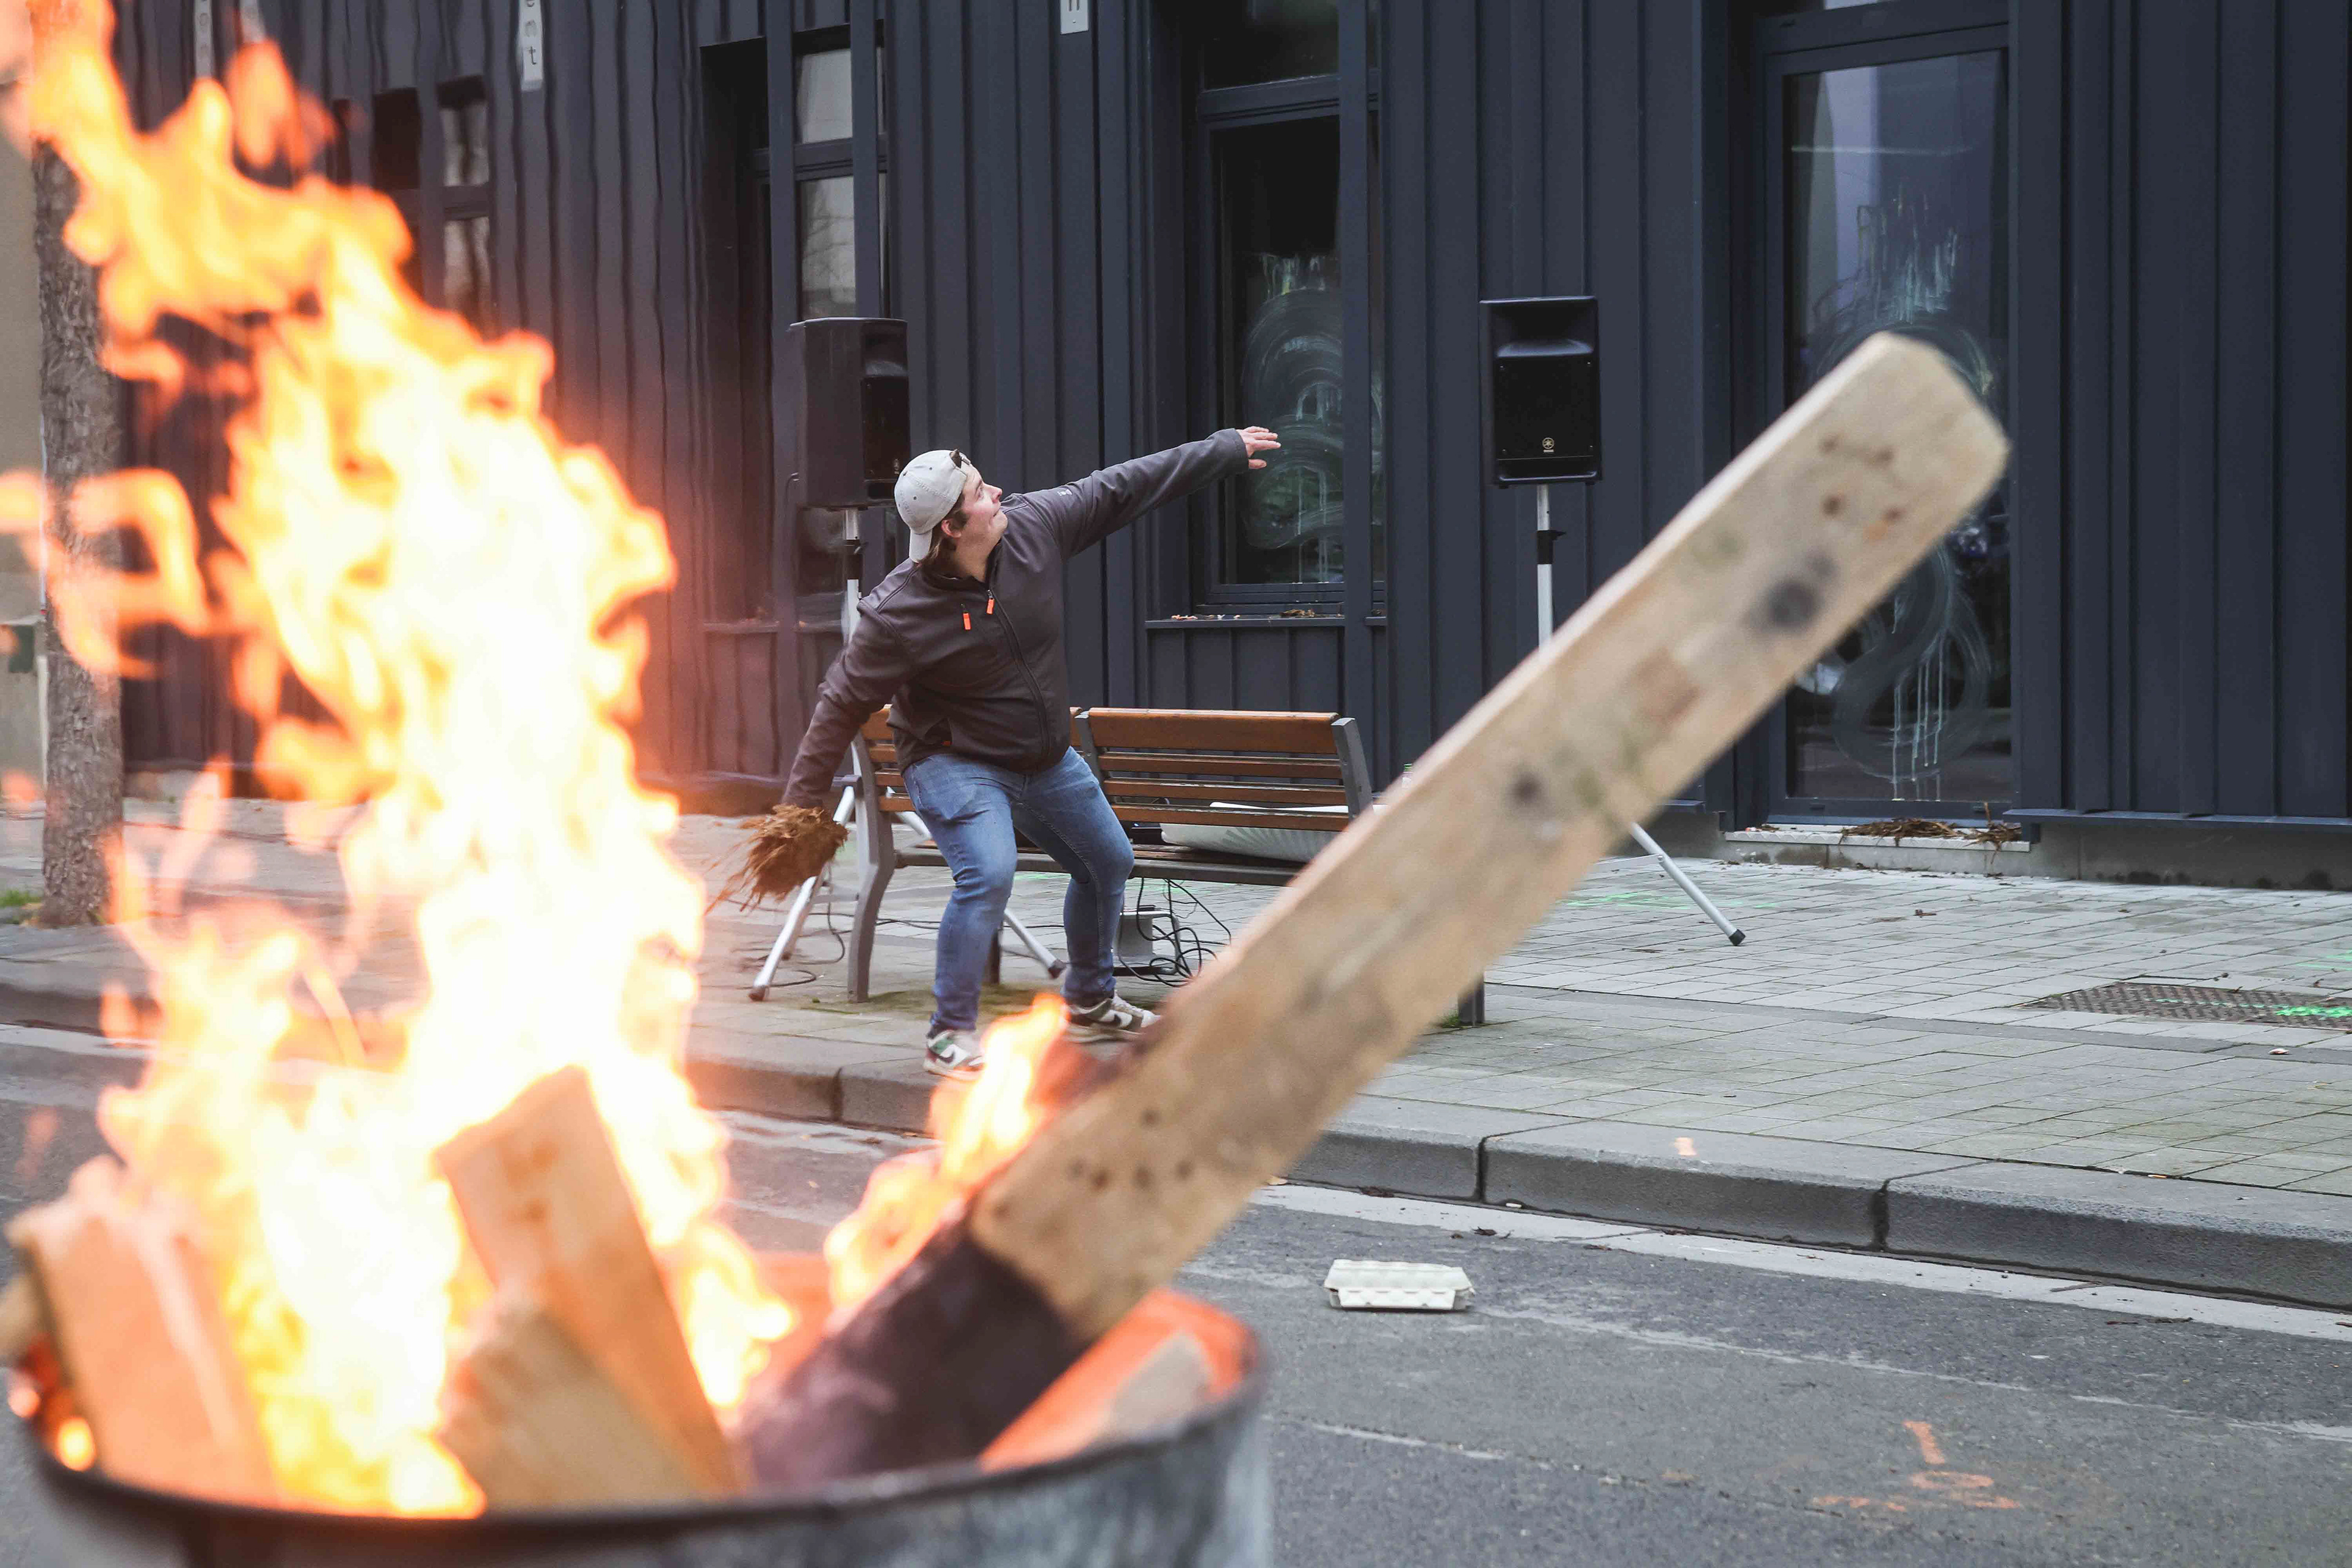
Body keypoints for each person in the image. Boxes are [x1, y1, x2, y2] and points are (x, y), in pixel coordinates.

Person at [776, 427, 1283, 1077]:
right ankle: (948, 1035)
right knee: (988, 872)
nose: (998, 494)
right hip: (953, 762)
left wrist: (1223, 449)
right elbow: (838, 704)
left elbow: (1120, 487)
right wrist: (797, 817)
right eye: (981, 493)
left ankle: (1091, 998)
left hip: (1042, 758)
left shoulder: (1035, 527)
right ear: (953, 529)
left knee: (1108, 860)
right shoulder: (896, 615)